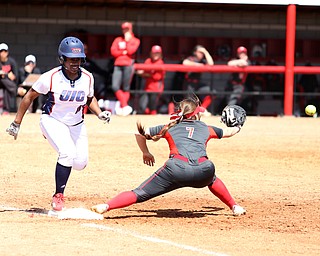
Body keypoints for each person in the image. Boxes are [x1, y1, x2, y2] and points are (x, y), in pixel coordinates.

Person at [91, 96, 246, 216]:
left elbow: (139, 134)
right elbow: (229, 132)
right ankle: (235, 206)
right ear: (196, 114)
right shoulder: (205, 127)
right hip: (203, 170)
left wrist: (146, 152)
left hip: (176, 170)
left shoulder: (170, 127)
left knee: (139, 193)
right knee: (212, 178)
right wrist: (238, 126)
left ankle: (106, 206)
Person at [6, 36, 111, 212]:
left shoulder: (87, 77)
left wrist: (99, 113)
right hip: (52, 120)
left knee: (80, 163)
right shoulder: (51, 77)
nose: (75, 63)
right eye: (71, 59)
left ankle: (61, 148)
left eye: (78, 59)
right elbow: (29, 97)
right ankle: (58, 195)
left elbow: (89, 98)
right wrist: (17, 123)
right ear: (62, 59)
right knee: (67, 153)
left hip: (77, 124)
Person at [110, 21, 140, 116]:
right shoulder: (118, 39)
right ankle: (125, 106)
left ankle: (123, 108)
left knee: (126, 87)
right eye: (124, 29)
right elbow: (113, 51)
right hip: (118, 64)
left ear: (130, 29)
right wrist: (123, 52)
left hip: (128, 64)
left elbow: (131, 51)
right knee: (115, 86)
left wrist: (127, 42)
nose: (125, 31)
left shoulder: (135, 40)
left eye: (127, 29)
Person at [182, 45, 214, 116]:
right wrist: (198, 65)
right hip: (189, 84)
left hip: (198, 84)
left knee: (212, 93)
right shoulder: (192, 58)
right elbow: (185, 62)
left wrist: (205, 52)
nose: (201, 54)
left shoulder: (203, 60)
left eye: (202, 53)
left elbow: (211, 64)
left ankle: (201, 110)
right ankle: (194, 113)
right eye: (200, 52)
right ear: (195, 52)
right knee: (190, 103)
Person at [136, 45, 165, 115]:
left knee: (153, 107)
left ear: (160, 54)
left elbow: (157, 77)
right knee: (142, 106)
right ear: (151, 53)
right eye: (154, 53)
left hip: (156, 87)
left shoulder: (161, 62)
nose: (156, 55)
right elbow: (142, 71)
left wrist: (145, 74)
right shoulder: (148, 61)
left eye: (158, 53)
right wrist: (143, 73)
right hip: (147, 87)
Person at [0, 43, 18, 114]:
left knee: (6, 88)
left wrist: (4, 74)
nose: (3, 53)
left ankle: (6, 110)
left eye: (5, 51)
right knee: (2, 80)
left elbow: (15, 76)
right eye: (1, 51)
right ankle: (14, 89)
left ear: (7, 52)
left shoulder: (12, 62)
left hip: (8, 84)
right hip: (2, 82)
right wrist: (8, 75)